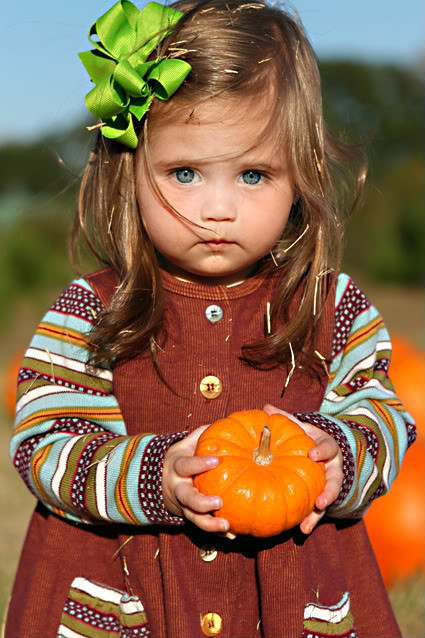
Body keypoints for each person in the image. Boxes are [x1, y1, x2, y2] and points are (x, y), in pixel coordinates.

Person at [6, 1, 415, 637]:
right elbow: (45, 445)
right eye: (186, 173)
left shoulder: (327, 307)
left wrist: (344, 457)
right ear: (131, 170)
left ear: (301, 175)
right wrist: (152, 479)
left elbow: (387, 413)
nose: (217, 208)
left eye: (253, 174)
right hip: (129, 598)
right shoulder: (92, 310)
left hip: (287, 599)